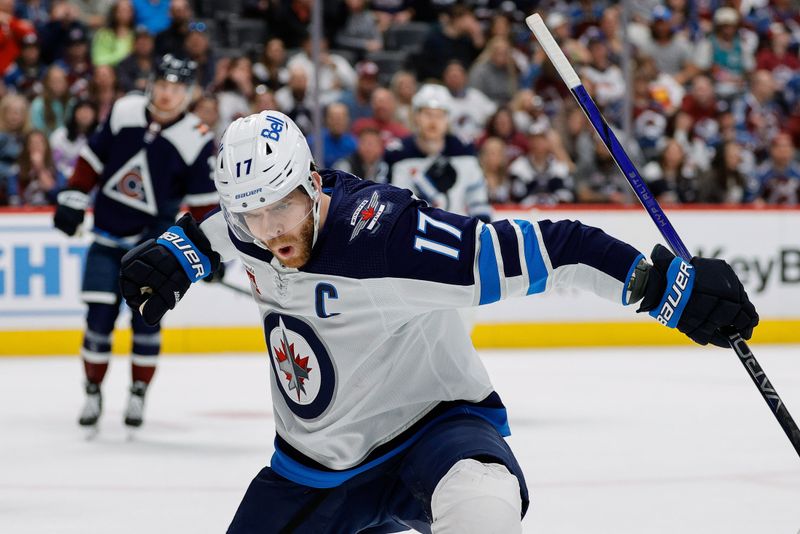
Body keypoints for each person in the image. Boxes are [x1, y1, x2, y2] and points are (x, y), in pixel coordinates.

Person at [118, 110, 758, 533]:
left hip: (435, 432)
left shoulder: (391, 241)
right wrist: (178, 253)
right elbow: (215, 232)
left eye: (281, 209)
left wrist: (661, 287)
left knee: (482, 504)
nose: (270, 234)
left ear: (312, 183)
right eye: (250, 219)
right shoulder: (252, 229)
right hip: (314, 467)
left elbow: (558, 247)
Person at [52, 54, 218, 431]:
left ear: (188, 93)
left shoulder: (196, 138)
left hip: (154, 250)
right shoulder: (125, 111)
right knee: (98, 319)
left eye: (176, 89)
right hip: (106, 238)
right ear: (150, 84)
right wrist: (75, 196)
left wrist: (208, 250)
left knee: (147, 323)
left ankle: (138, 393)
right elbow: (93, 160)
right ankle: (93, 391)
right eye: (161, 85)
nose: (166, 94)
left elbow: (203, 205)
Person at [382, 83, 491, 222]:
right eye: (427, 114)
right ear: (416, 116)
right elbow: (384, 201)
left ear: (448, 119)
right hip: (409, 236)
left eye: (440, 115)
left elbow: (477, 199)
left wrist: (480, 236)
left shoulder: (464, 150)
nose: (433, 121)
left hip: (455, 234)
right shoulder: (396, 153)